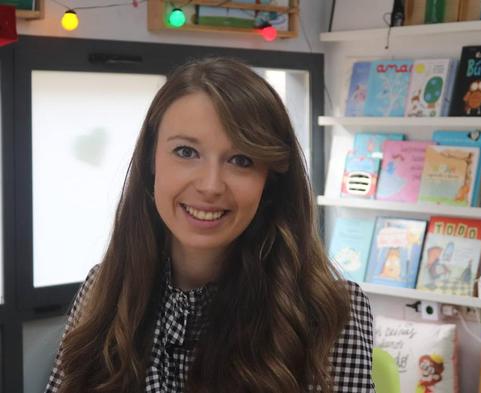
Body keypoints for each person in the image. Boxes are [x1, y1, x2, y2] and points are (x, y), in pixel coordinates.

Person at [45, 57, 375, 393]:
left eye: (241, 160)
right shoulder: (103, 289)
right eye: (186, 152)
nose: (211, 185)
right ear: (150, 159)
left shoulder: (328, 313)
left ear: (270, 181)